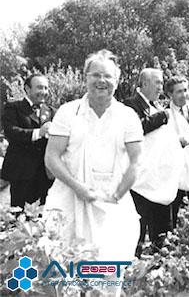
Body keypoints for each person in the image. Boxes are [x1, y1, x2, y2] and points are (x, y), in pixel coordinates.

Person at [44, 49, 143, 262]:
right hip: (69, 198)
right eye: (96, 75)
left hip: (112, 202)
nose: (101, 80)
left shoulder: (127, 116)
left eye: (108, 76)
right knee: (65, 267)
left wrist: (116, 195)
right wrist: (78, 187)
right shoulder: (68, 112)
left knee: (108, 269)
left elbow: (137, 161)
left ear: (117, 80)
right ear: (85, 77)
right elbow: (51, 157)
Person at [123, 68, 183, 257]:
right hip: (140, 180)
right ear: (145, 83)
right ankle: (133, 263)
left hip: (158, 178)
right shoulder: (129, 105)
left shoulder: (157, 106)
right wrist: (161, 117)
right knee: (137, 226)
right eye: (157, 82)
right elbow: (136, 129)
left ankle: (160, 264)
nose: (160, 87)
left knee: (161, 226)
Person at [1, 73, 55, 209]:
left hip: (44, 174)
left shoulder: (52, 112)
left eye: (46, 88)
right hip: (21, 173)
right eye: (39, 88)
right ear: (27, 89)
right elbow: (11, 132)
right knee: (18, 217)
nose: (44, 92)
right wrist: (39, 132)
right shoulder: (13, 107)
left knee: (43, 217)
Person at [165, 76, 189, 226]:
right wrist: (177, 142)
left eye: (185, 90)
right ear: (170, 95)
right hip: (177, 168)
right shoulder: (167, 114)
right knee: (172, 208)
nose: (184, 95)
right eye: (179, 92)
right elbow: (164, 142)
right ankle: (169, 241)